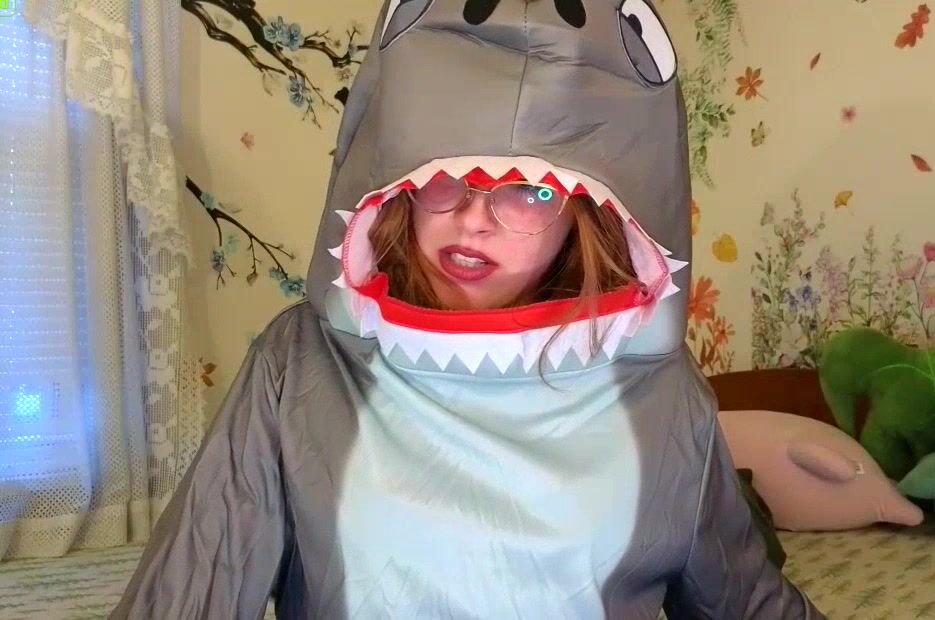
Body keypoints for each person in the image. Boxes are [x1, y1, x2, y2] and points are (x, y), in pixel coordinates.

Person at [112, 0, 824, 618]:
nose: (473, 220)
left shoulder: (661, 392)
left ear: (587, 215)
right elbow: (192, 588)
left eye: (531, 191)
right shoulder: (296, 363)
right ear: (398, 183)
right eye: (447, 178)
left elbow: (746, 601)